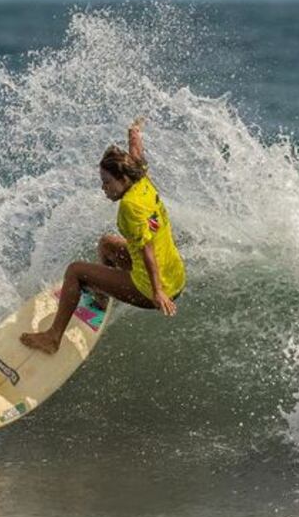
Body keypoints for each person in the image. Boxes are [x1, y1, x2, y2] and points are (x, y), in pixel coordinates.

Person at [20, 117, 186, 354]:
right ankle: (101, 297)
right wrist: (134, 134)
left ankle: (52, 339)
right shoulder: (141, 179)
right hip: (175, 276)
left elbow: (146, 249)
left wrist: (157, 292)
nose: (103, 188)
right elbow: (137, 155)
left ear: (123, 179)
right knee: (107, 244)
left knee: (75, 271)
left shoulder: (130, 206)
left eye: (107, 182)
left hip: (151, 288)